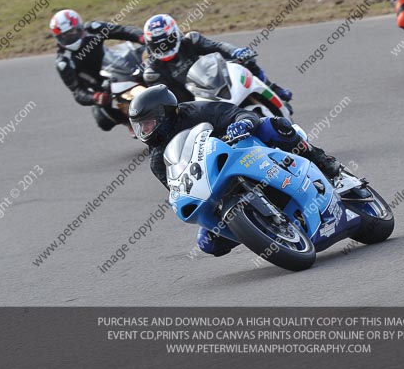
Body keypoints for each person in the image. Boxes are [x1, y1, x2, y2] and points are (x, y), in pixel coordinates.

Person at [129, 85, 341, 256]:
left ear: (164, 114)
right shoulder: (158, 161)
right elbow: (177, 187)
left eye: (148, 124)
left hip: (240, 149)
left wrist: (242, 124)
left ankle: (321, 160)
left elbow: (240, 113)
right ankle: (259, 229)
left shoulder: (197, 111)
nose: (144, 131)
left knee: (273, 125)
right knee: (207, 242)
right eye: (140, 126)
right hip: (213, 184)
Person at [141, 14, 292, 103]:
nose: (165, 48)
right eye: (158, 45)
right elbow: (167, 101)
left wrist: (236, 52)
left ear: (175, 34)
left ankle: (272, 89)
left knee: (247, 61)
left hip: (215, 79)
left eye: (167, 42)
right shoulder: (153, 72)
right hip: (193, 103)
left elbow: (218, 46)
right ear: (150, 44)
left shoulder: (191, 40)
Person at [50, 9, 145, 134]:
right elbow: (77, 91)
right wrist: (94, 97)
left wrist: (141, 37)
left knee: (148, 62)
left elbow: (122, 31)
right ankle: (129, 121)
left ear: (80, 27)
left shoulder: (93, 28)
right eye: (65, 36)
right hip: (103, 88)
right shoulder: (63, 62)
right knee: (102, 118)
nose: (70, 37)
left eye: (73, 32)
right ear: (58, 38)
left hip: (120, 65)